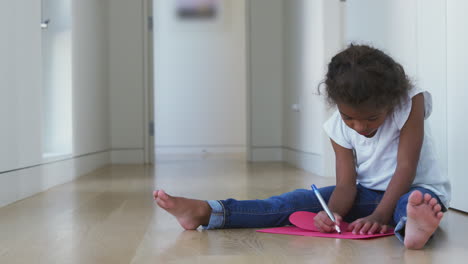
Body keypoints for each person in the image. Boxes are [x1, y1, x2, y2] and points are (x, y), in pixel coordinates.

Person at [153, 44, 451, 250]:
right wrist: (333, 213)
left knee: (414, 202)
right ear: (337, 105)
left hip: (412, 188)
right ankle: (206, 212)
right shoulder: (336, 126)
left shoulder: (410, 102)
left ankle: (410, 227)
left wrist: (379, 216)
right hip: (365, 195)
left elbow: (406, 168)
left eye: (371, 118)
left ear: (390, 101)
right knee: (287, 203)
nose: (360, 127)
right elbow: (346, 185)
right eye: (350, 118)